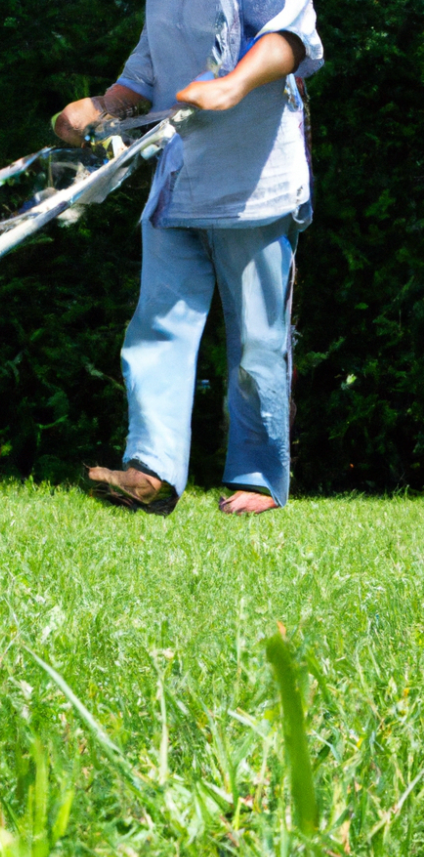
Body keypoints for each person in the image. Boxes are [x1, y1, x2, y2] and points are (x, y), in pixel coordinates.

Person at [54, 1, 323, 515]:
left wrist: (233, 83)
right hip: (179, 181)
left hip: (254, 183)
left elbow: (291, 36)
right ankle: (150, 471)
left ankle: (260, 480)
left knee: (257, 342)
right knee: (158, 324)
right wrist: (102, 108)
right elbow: (149, 69)